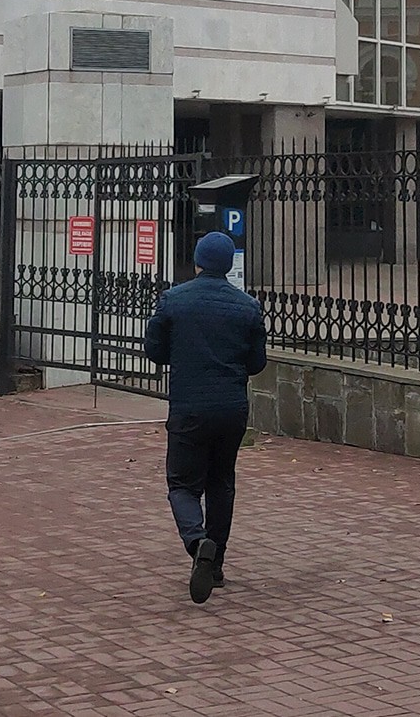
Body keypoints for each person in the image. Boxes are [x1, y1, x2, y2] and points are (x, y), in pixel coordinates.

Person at [144, 231, 267, 604]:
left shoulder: (174, 300)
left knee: (182, 485)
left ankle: (198, 542)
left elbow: (154, 350)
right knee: (221, 483)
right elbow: (256, 363)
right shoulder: (247, 306)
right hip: (231, 410)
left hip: (189, 408)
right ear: (228, 265)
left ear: (197, 261)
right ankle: (215, 567)